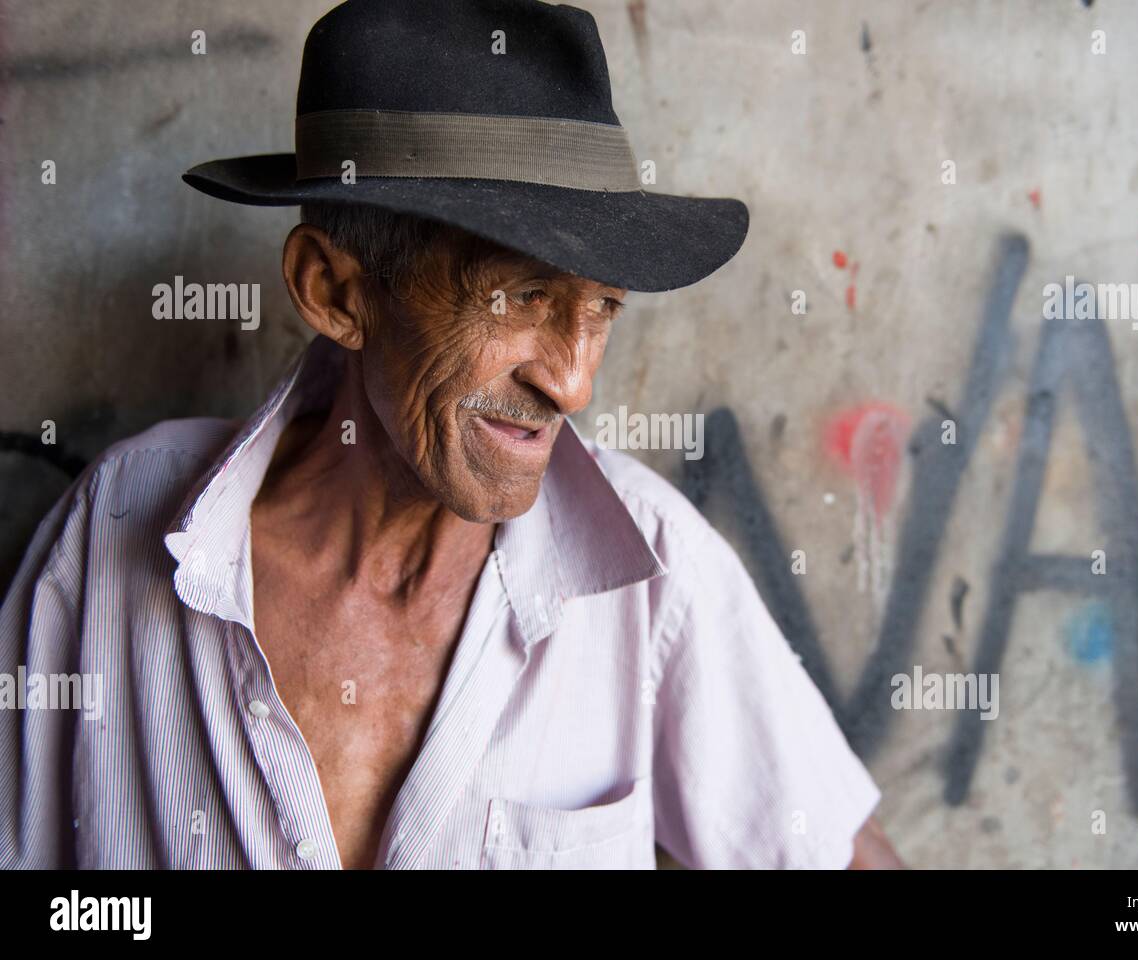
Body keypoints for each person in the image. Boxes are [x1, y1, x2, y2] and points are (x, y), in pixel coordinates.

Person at [0, 0, 900, 870]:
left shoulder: (648, 572)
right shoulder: (117, 530)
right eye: (522, 299)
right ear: (336, 292)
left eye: (603, 310)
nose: (573, 381)